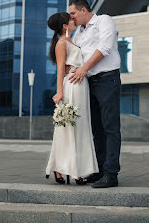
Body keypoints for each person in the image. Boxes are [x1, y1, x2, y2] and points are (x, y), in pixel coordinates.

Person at [68, 0, 121, 189]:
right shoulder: (78, 35)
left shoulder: (103, 20)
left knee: (110, 127)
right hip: (89, 82)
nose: (71, 17)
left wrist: (83, 68)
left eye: (73, 13)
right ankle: (99, 170)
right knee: (96, 129)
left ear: (83, 10)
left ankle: (111, 173)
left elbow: (104, 48)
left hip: (107, 79)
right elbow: (74, 55)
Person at [45, 12, 98, 185]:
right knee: (70, 128)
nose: (73, 19)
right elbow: (60, 69)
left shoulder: (72, 41)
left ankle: (65, 168)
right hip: (72, 86)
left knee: (80, 128)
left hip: (82, 85)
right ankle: (71, 170)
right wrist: (59, 92)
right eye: (70, 19)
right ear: (65, 26)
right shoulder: (61, 43)